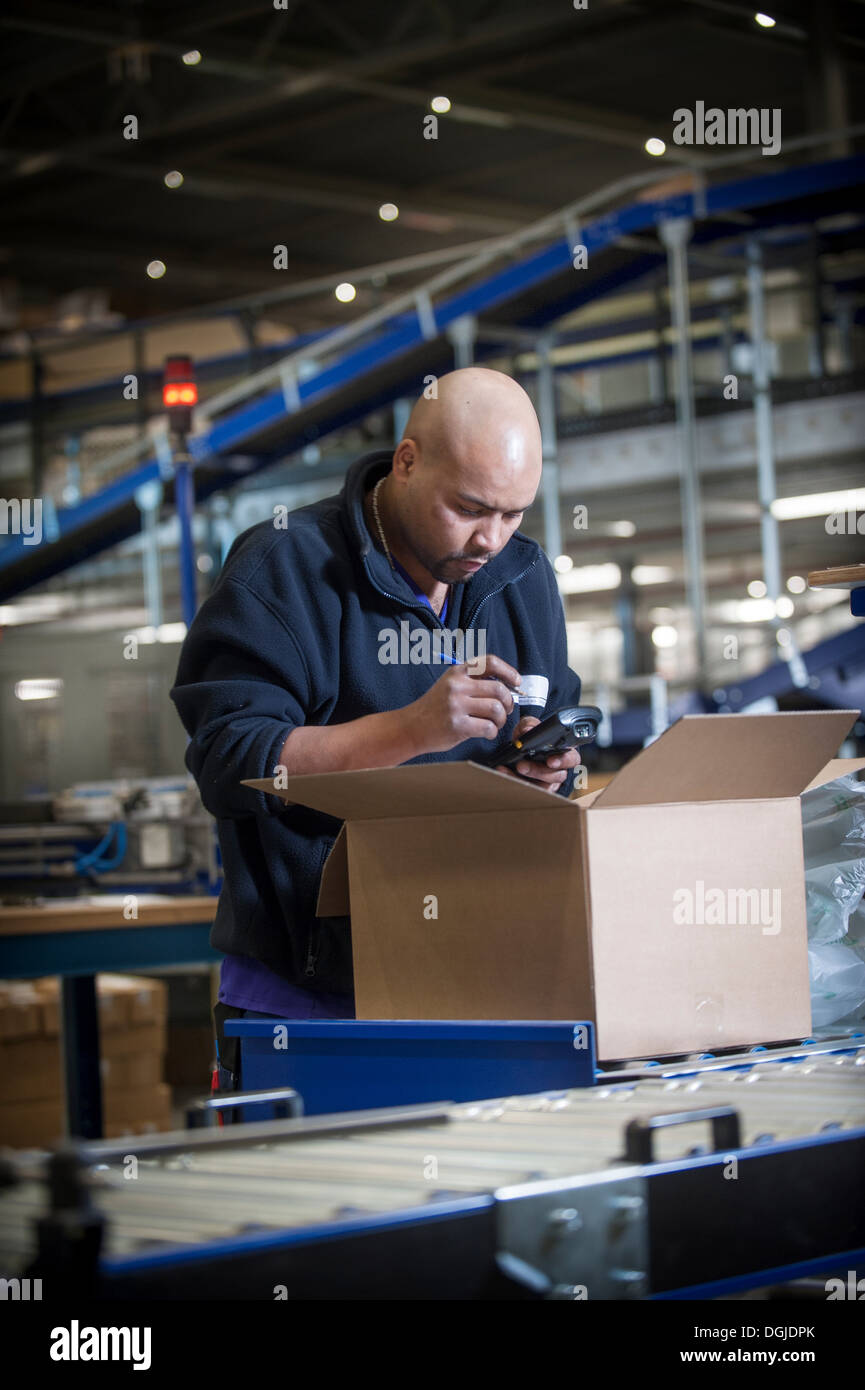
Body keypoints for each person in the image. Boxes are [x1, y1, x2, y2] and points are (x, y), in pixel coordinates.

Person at [170, 366, 583, 1090]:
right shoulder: (285, 567)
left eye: (514, 513)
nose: (490, 537)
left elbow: (548, 730)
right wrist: (413, 729)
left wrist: (547, 768)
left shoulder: (521, 577)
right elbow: (232, 761)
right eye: (468, 507)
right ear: (406, 460)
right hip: (309, 1005)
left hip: (483, 982)